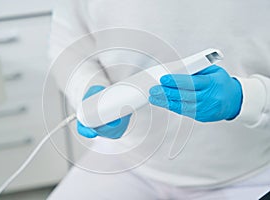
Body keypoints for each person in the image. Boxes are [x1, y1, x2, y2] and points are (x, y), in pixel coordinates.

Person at [48, 0, 270, 199]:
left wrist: (249, 98)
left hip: (249, 174)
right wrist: (89, 88)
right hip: (126, 160)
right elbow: (68, 42)